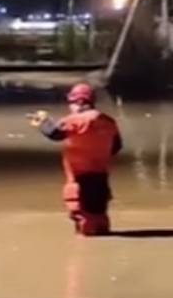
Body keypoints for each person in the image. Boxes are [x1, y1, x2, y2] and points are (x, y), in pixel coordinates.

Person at [30, 83, 123, 236]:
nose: (70, 107)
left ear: (79, 102)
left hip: (80, 177)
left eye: (71, 103)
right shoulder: (108, 122)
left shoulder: (77, 120)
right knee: (99, 214)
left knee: (83, 219)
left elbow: (55, 133)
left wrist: (43, 121)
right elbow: (116, 146)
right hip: (101, 175)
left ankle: (85, 254)